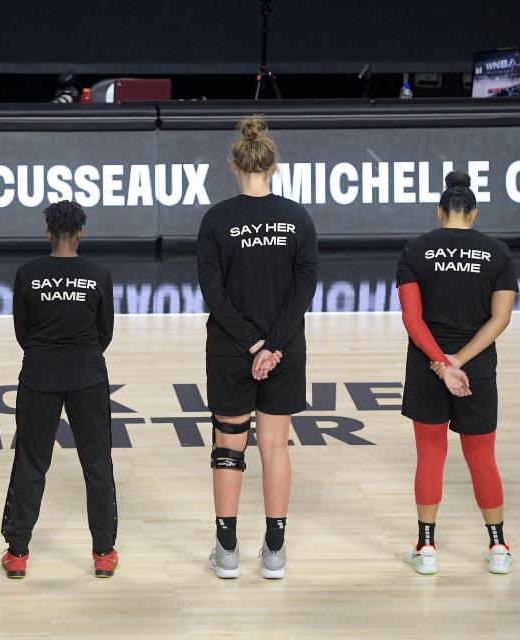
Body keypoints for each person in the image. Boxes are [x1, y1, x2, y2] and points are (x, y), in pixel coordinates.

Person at [197, 116, 318, 580]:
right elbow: (304, 290)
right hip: (285, 350)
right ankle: (274, 551)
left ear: (234, 165)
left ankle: (227, 553)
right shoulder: (297, 218)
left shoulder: (216, 219)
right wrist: (274, 344)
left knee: (229, 445)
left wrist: (251, 343)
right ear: (274, 166)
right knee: (274, 446)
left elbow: (214, 292)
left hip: (231, 350)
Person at [397, 171, 518, 576]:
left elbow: (412, 320)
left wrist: (442, 363)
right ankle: (498, 546)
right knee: (482, 456)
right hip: (477, 368)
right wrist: (460, 361)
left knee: (431, 453)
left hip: (427, 367)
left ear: (440, 211)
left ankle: (426, 548)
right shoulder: (497, 253)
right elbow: (500, 319)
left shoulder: (416, 249)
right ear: (474, 214)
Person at [0, 200, 118, 579]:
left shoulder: (28, 273)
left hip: (39, 376)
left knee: (32, 463)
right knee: (97, 464)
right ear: (81, 232)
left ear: (48, 232)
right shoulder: (98, 273)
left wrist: (46, 354)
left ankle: (17, 553)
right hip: (88, 376)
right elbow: (105, 332)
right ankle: (103, 553)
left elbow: (23, 332)